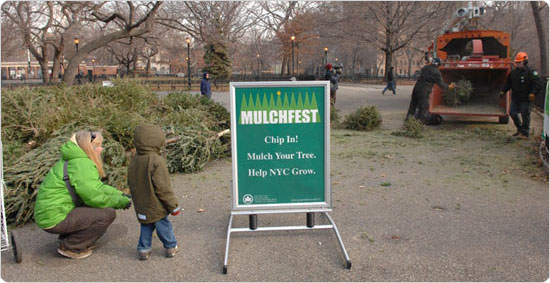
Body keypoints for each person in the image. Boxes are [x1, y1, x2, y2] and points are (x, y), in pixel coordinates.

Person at [34, 131, 132, 259]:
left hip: (49, 213)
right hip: (53, 217)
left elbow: (97, 187)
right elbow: (94, 197)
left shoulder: (74, 159)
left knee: (92, 208)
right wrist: (120, 202)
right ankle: (72, 247)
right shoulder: (82, 164)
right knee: (107, 214)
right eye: (97, 146)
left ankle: (70, 237)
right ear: (88, 147)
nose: (101, 149)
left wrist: (119, 194)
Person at [128, 124, 181, 260]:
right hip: (156, 205)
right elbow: (163, 187)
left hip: (141, 204)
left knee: (146, 226)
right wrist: (173, 205)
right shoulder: (156, 161)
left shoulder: (134, 160)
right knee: (163, 225)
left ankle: (143, 249)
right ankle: (170, 246)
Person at [500, 51, 541, 139]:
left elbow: (538, 84)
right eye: (516, 62)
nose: (517, 64)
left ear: (525, 62)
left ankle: (525, 133)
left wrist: (533, 93)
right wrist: (503, 91)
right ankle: (520, 129)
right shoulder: (513, 73)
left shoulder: (531, 73)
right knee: (512, 112)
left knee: (525, 115)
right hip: (515, 98)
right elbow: (508, 83)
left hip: (526, 99)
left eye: (519, 62)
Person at [406, 58, 455, 124]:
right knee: (423, 108)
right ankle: (419, 125)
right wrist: (449, 87)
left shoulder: (425, 68)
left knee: (412, 106)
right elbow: (441, 84)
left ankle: (407, 122)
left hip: (416, 88)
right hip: (424, 91)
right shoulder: (436, 72)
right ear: (438, 65)